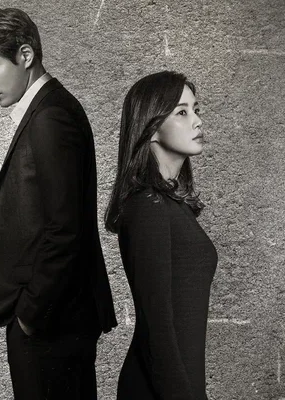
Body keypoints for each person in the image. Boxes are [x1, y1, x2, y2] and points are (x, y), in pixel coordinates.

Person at [0, 8, 117, 399]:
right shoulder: (47, 110)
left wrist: (30, 314)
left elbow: (65, 229)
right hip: (54, 319)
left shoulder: (50, 118)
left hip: (52, 323)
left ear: (25, 55)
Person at [105, 71, 217, 399]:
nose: (197, 121)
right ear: (151, 128)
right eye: (182, 112)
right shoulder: (148, 206)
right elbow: (158, 331)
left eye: (196, 109)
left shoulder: (171, 204)